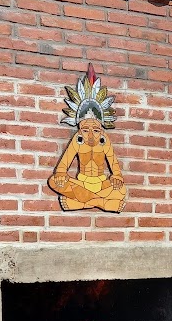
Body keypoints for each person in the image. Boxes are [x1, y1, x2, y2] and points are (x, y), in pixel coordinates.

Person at [48, 64, 127, 213]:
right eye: (85, 130)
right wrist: (60, 175)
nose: (90, 135)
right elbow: (62, 168)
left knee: (121, 190)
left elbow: (116, 170)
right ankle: (101, 202)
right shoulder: (78, 140)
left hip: (101, 184)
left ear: (101, 128)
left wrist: (116, 178)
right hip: (81, 184)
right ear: (79, 128)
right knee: (54, 182)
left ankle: (82, 202)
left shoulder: (104, 141)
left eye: (96, 130)